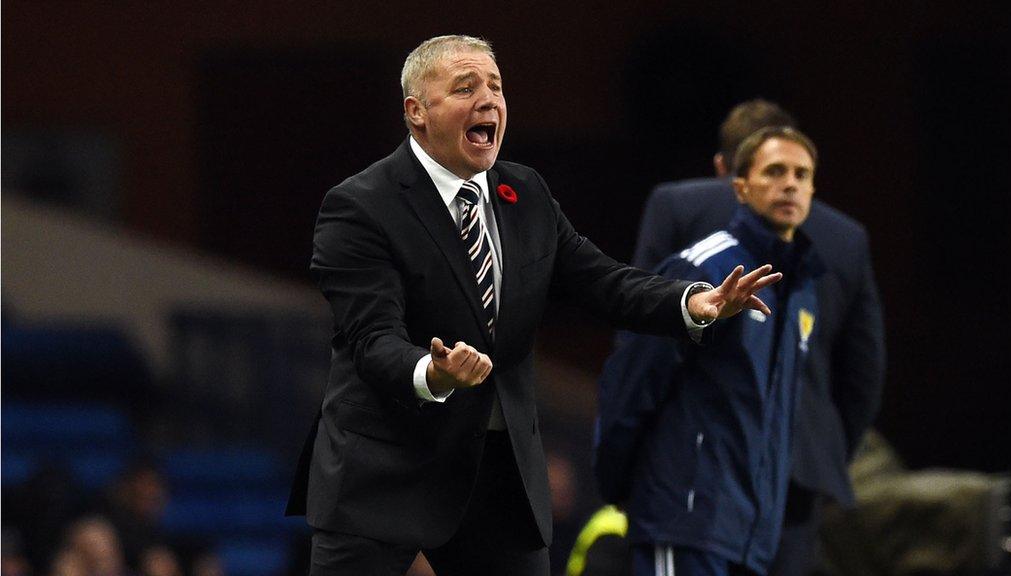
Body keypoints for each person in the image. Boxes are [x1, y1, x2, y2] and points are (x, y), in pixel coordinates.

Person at [285, 35, 781, 576]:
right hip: (383, 474)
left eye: (496, 87)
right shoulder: (359, 206)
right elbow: (370, 338)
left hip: (497, 473)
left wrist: (692, 301)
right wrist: (435, 372)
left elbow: (602, 282)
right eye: (465, 87)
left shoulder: (525, 193)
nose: (489, 100)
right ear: (417, 113)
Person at [629, 100, 885, 576]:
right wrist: (821, 449)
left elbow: (642, 333)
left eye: (799, 174)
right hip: (799, 472)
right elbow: (865, 370)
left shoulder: (675, 205)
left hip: (691, 472)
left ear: (724, 171)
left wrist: (626, 460)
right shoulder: (847, 237)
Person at [594, 126, 824, 575]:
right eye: (775, 171)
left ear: (814, 189)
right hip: (684, 519)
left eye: (802, 174)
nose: (790, 183)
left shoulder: (802, 289)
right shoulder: (702, 268)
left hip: (750, 536)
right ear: (740, 186)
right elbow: (633, 377)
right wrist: (618, 480)